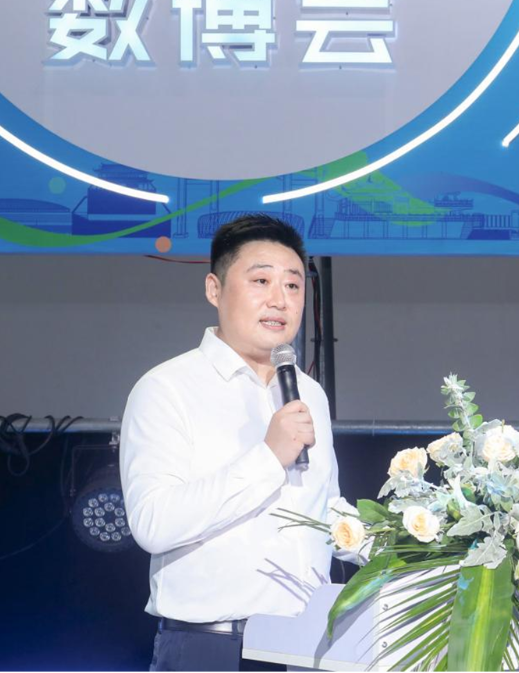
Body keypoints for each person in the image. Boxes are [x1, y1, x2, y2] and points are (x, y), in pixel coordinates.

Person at [119, 214, 359, 672]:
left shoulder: (309, 394)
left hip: (307, 647)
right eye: (261, 281)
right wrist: (268, 457)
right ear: (214, 289)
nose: (279, 300)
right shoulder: (167, 388)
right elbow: (153, 522)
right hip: (213, 648)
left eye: (293, 285)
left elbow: (325, 510)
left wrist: (408, 541)